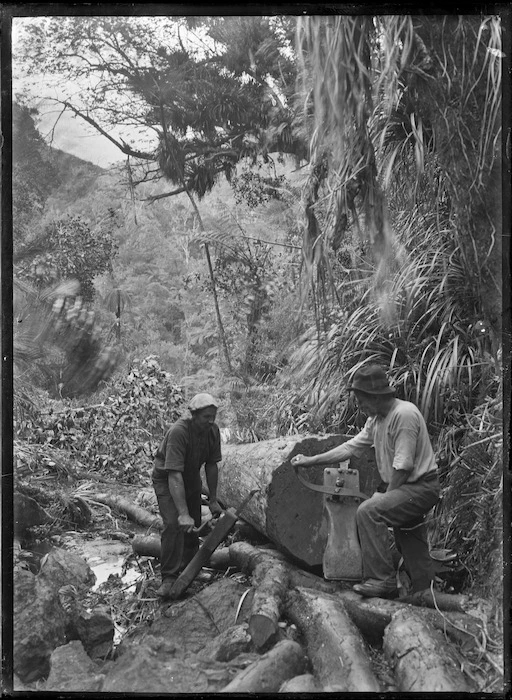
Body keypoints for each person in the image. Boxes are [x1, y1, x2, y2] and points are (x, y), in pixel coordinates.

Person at [291, 364, 441, 599]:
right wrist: (311, 460)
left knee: (369, 512)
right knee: (409, 537)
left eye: (361, 401)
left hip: (420, 487)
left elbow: (403, 466)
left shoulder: (403, 415)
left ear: (375, 396)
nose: (359, 407)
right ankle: (426, 592)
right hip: (408, 487)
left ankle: (382, 580)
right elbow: (350, 447)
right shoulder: (377, 420)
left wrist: (386, 497)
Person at [152, 392, 223, 598]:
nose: (210, 421)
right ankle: (169, 577)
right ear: (193, 415)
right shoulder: (179, 432)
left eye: (213, 416)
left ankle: (190, 569)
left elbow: (211, 465)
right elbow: (174, 474)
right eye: (206, 417)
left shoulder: (213, 431)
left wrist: (213, 500)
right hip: (167, 479)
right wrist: (182, 512)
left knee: (194, 523)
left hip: (190, 477)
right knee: (175, 524)